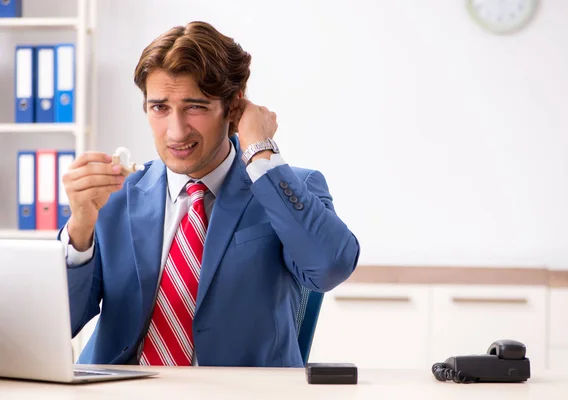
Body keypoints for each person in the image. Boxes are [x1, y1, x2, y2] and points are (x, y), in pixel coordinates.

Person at [60, 21, 360, 368]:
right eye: (160, 107)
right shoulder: (115, 196)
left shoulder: (286, 188)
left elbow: (329, 268)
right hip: (119, 389)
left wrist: (262, 155)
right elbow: (61, 323)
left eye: (195, 107)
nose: (175, 131)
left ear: (233, 108)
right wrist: (80, 227)